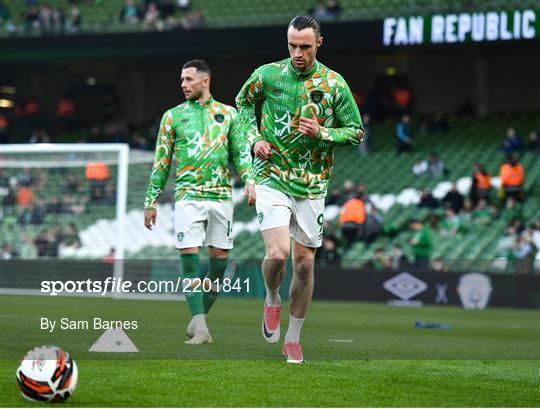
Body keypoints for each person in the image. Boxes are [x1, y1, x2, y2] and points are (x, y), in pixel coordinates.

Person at [236, 15, 363, 364]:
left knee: (304, 266)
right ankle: (272, 296)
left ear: (318, 44)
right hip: (271, 174)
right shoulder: (267, 74)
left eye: (305, 46)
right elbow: (242, 105)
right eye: (292, 45)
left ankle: (293, 338)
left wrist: (322, 132)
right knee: (277, 254)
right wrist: (254, 139)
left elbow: (356, 130)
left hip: (312, 183)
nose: (297, 53)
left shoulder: (334, 84)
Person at [144, 59, 256, 345]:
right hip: (188, 197)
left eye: (189, 79)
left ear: (205, 81)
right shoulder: (172, 117)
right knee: (190, 257)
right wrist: (151, 200)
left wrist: (250, 180)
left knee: (219, 264)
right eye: (182, 79)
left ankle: (198, 317)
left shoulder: (229, 115)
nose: (183, 84)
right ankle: (203, 328)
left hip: (221, 196)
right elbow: (161, 162)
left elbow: (241, 154)